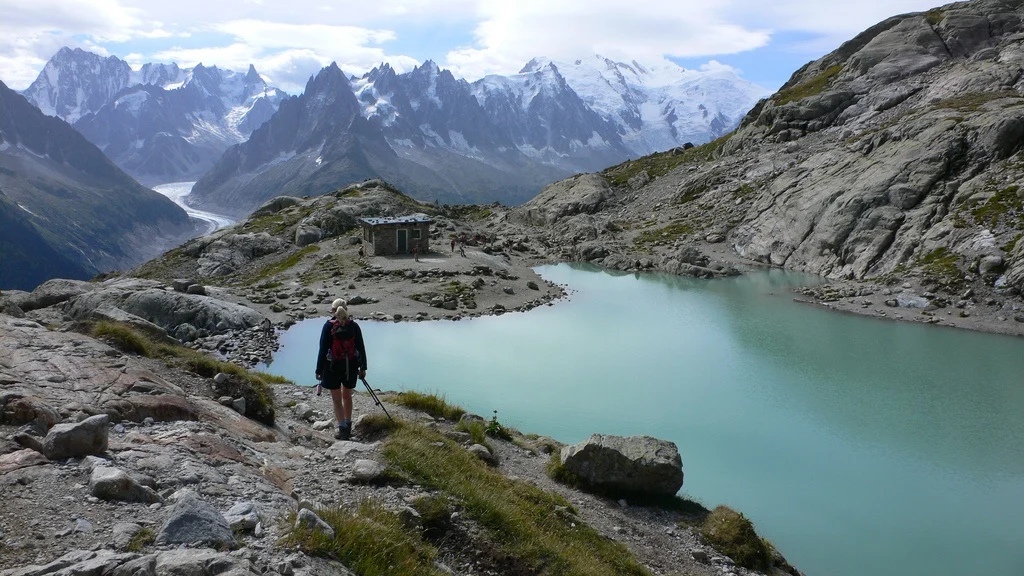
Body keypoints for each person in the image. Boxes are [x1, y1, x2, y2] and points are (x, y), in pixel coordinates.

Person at [315, 299, 367, 440]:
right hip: (350, 366)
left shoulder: (328, 326)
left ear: (333, 311)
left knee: (337, 400)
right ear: (346, 309)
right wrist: (363, 367)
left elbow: (322, 350)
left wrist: (318, 370)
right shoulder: (354, 326)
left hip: (332, 368)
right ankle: (348, 426)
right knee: (347, 395)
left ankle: (342, 429)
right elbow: (361, 348)